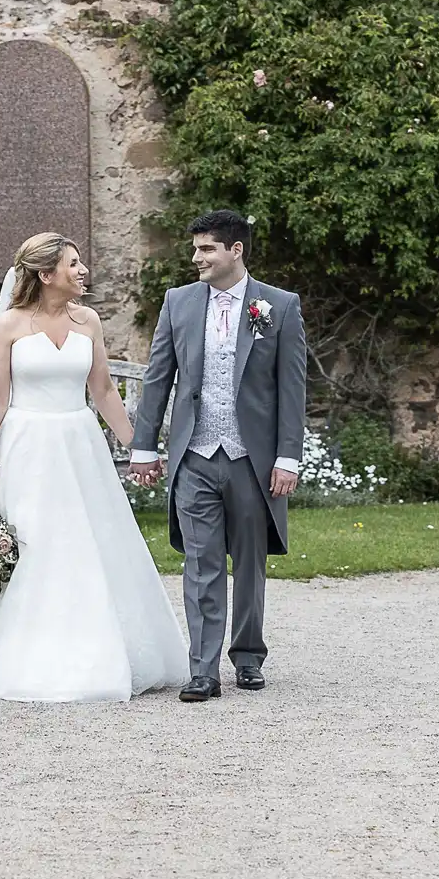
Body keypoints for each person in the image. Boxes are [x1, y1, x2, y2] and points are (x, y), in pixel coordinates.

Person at [0, 232, 188, 702]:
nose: (83, 271)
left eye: (81, 263)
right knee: (31, 542)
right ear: (45, 274)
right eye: (73, 264)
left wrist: (139, 447)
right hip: (28, 447)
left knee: (89, 540)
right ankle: (17, 651)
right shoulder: (11, 325)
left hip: (79, 445)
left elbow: (102, 390)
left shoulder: (89, 320)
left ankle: (99, 648)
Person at [129, 210, 307, 702]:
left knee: (249, 562)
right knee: (201, 562)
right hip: (195, 455)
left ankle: (248, 657)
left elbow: (292, 389)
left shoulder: (280, 306)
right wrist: (144, 446)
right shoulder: (178, 303)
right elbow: (157, 378)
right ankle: (203, 669)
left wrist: (287, 457)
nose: (197, 258)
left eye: (206, 249)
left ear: (236, 250)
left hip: (252, 458)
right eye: (195, 249)